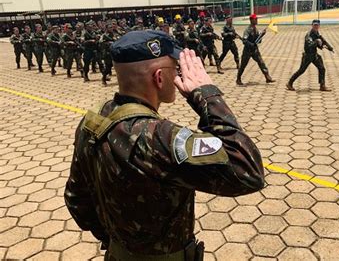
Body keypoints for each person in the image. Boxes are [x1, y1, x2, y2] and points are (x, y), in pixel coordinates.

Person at [64, 30, 265, 260]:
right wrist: (207, 95)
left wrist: (116, 238)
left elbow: (75, 198)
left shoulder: (93, 121)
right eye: (175, 69)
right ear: (159, 78)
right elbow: (248, 171)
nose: (179, 74)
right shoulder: (160, 137)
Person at [287, 19, 333, 91]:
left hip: (314, 55)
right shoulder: (309, 35)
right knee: (301, 70)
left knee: (322, 68)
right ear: (312, 25)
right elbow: (310, 45)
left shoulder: (317, 33)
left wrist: (330, 48)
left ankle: (322, 85)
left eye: (317, 25)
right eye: (314, 25)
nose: (316, 26)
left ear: (319, 26)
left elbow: (323, 40)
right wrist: (316, 42)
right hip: (308, 55)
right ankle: (290, 83)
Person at [236, 14, 275, 86]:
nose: (257, 20)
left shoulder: (256, 29)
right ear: (251, 20)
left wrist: (262, 35)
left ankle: (267, 77)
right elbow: (244, 41)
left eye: (256, 19)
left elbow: (258, 41)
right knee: (243, 65)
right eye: (255, 19)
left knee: (261, 62)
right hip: (247, 50)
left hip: (254, 50)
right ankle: (238, 79)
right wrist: (251, 44)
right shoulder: (248, 30)